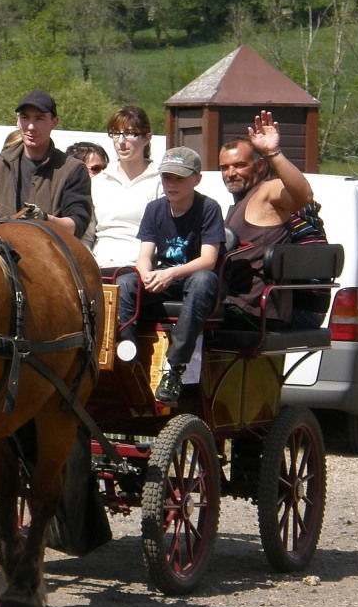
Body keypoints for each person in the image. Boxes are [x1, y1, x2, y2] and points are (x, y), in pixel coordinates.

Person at [118, 146, 224, 402]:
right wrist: (145, 274)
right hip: (163, 278)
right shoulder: (154, 208)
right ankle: (126, 357)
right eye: (167, 178)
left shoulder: (209, 208)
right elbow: (144, 255)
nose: (171, 184)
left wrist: (171, 274)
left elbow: (208, 260)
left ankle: (174, 369)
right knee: (124, 282)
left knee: (203, 280)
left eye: (179, 178)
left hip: (192, 278)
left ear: (197, 179)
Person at [218, 110, 314, 329]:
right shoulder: (237, 204)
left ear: (259, 166)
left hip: (254, 311)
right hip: (233, 305)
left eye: (240, 165)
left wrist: (273, 152)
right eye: (224, 167)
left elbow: (303, 196)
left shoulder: (267, 192)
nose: (231, 173)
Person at [0, 89, 92, 240]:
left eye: (39, 119)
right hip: (4, 256)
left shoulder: (72, 169)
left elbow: (78, 225)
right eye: (25, 118)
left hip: (52, 256)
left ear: (54, 122)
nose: (31, 126)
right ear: (17, 121)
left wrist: (44, 219)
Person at [91, 106, 163, 270]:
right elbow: (88, 235)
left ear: (146, 138)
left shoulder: (160, 181)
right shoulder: (99, 182)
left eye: (130, 133)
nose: (121, 141)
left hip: (138, 270)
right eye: (116, 133)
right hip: (98, 267)